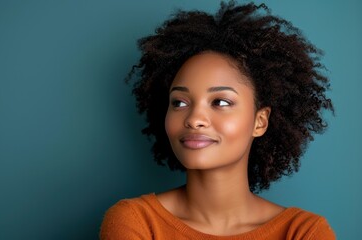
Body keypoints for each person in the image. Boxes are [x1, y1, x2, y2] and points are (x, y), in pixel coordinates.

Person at [100, 1, 335, 239]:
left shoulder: (303, 232)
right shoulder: (135, 221)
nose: (194, 119)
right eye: (179, 103)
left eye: (220, 102)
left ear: (260, 122)